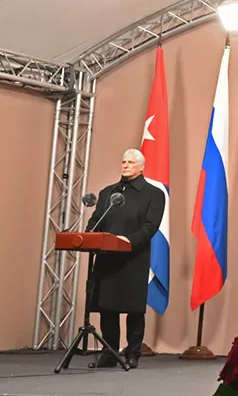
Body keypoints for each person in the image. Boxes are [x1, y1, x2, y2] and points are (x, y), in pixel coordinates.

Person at [86, 149, 166, 369]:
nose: (125, 165)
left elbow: (151, 226)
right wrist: (89, 234)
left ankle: (133, 353)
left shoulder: (153, 194)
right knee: (107, 308)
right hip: (107, 258)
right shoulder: (108, 193)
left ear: (142, 167)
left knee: (134, 309)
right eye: (123, 161)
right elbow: (96, 220)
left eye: (131, 162)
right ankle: (110, 353)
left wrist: (128, 241)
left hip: (134, 257)